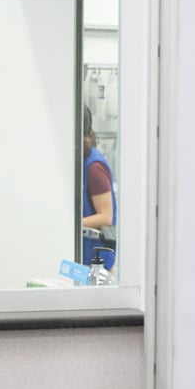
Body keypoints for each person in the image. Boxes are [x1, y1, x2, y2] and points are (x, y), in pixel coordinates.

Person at [81, 105, 116, 271]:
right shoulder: (80, 159)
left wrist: (72, 224)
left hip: (96, 263)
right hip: (83, 259)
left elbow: (106, 217)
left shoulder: (94, 166)